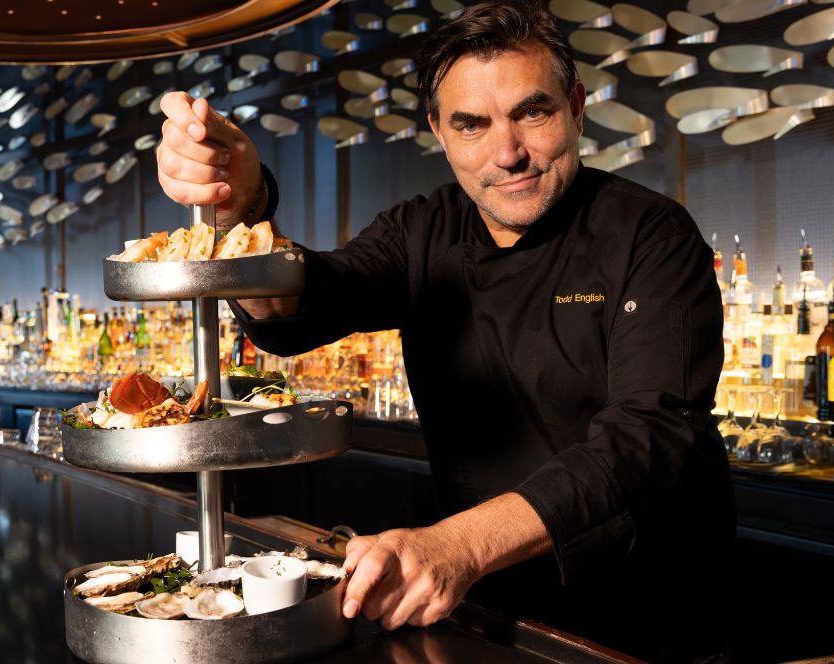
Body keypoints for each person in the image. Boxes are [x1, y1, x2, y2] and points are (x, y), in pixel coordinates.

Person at [156, 1, 734, 660]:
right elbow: (303, 303)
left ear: (577, 105)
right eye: (472, 124)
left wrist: (455, 545)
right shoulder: (421, 233)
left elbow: (650, 434)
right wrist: (241, 206)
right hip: (487, 609)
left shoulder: (650, 235)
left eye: (533, 112)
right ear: (438, 129)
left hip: (649, 617)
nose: (508, 153)